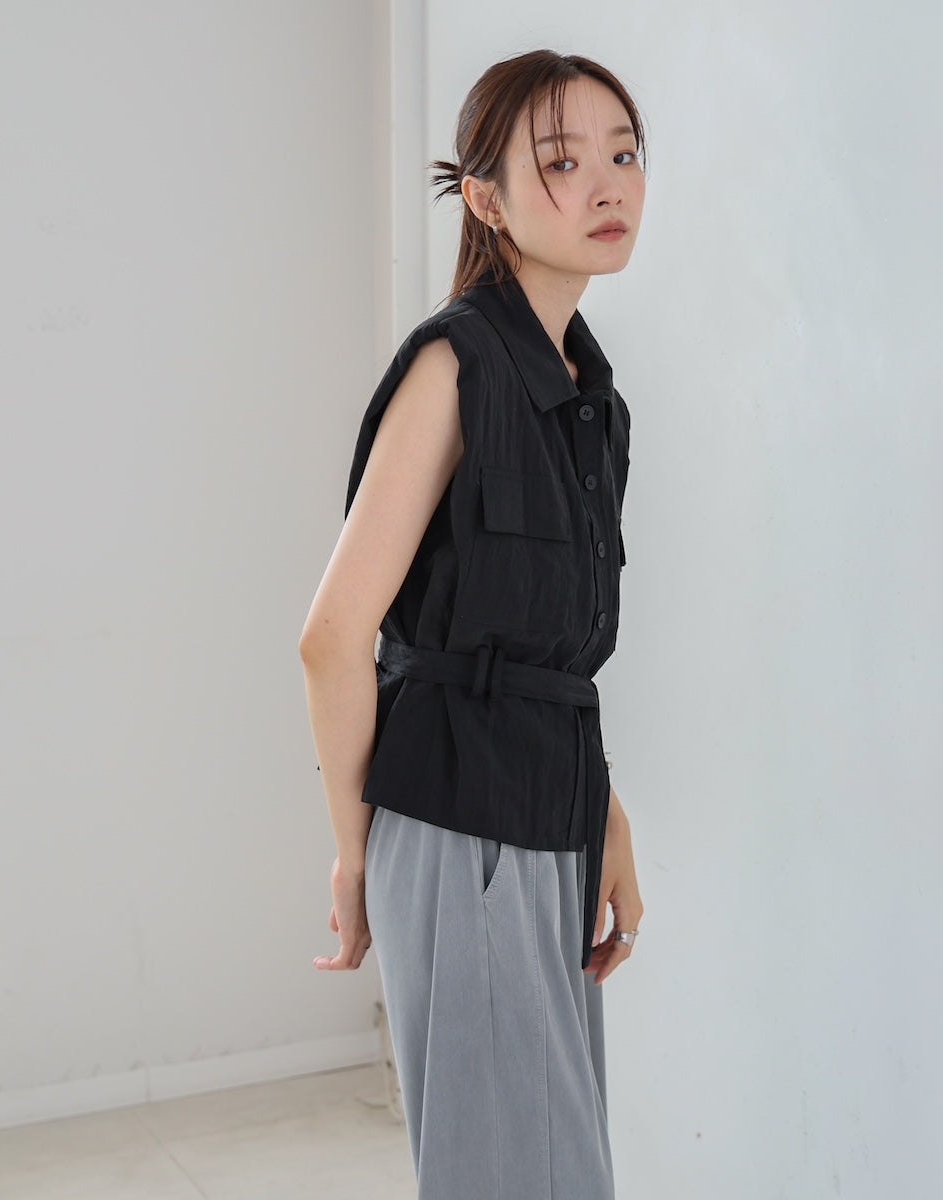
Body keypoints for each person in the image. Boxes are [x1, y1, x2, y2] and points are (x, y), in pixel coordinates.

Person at [299, 48, 646, 1200]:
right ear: (486, 199)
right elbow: (334, 637)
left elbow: (549, 654)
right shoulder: (456, 365)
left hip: (549, 814)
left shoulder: (590, 398)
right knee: (512, 1176)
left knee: (549, 1168)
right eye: (563, 162)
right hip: (459, 825)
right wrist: (357, 853)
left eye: (623, 154)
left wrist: (604, 817)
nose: (606, 184)